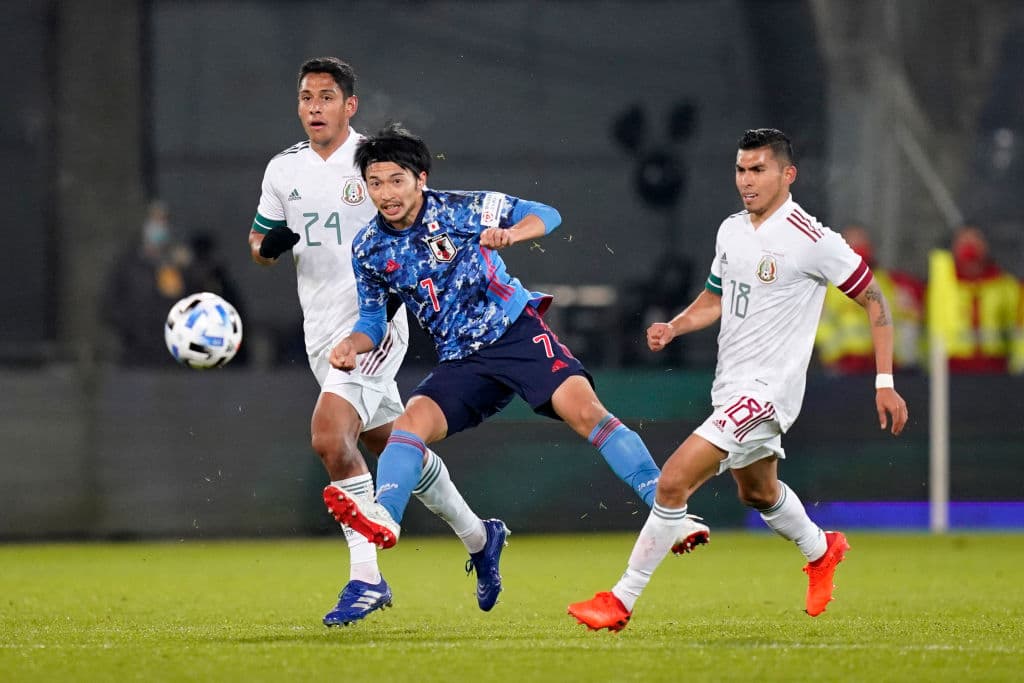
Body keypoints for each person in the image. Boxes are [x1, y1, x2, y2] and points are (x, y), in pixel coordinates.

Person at [567, 128, 909, 632]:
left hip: (768, 393)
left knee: (673, 480)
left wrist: (884, 381)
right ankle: (822, 549)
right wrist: (675, 325)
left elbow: (875, 300)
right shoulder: (731, 230)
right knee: (758, 493)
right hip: (730, 385)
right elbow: (716, 298)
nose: (746, 180)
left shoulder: (814, 240)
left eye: (758, 170)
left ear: (788, 175)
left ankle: (620, 599)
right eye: (741, 170)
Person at [324, 123, 710, 562]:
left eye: (396, 180)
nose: (386, 193)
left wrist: (513, 234)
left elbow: (546, 213)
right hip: (460, 361)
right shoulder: (369, 248)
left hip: (515, 335)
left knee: (588, 413)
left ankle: (669, 515)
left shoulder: (459, 209)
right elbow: (373, 321)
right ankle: (386, 518)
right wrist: (352, 345)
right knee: (409, 425)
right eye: (375, 183)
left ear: (421, 179)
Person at [248, 57, 504, 626]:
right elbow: (258, 243)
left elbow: (418, 221)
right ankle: (479, 536)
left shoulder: (376, 164)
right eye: (306, 97)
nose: (315, 107)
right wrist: (269, 248)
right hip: (321, 332)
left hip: (373, 327)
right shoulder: (283, 170)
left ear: (350, 105)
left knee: (328, 436)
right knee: (394, 443)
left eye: (326, 97)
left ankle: (366, 579)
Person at [815, 224, 925, 373]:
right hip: (842, 369)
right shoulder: (826, 286)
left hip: (884, 367)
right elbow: (819, 324)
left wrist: (901, 358)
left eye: (861, 242)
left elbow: (905, 321)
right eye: (851, 242)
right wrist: (833, 356)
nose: (857, 247)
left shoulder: (888, 283)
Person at [101, 199, 193, 366]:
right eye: (155, 220)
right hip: (136, 352)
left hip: (171, 354)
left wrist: (189, 269)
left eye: (164, 221)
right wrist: (131, 328)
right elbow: (110, 304)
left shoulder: (176, 265)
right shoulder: (128, 264)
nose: (160, 227)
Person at [941, 225, 1020, 373]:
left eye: (975, 241)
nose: (969, 247)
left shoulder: (1005, 286)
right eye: (963, 242)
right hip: (951, 370)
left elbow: (1017, 331)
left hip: (996, 368)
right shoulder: (942, 286)